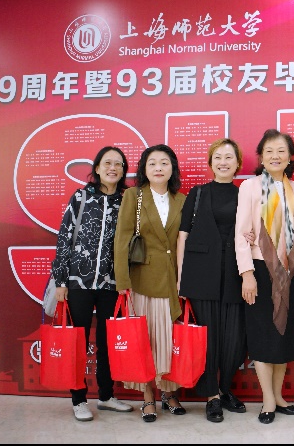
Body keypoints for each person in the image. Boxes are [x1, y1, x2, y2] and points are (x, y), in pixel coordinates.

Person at [49, 145, 133, 421]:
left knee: (109, 343)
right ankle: (78, 399)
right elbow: (65, 237)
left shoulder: (127, 200)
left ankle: (106, 396)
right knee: (78, 341)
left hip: (112, 283)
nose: (113, 168)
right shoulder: (82, 196)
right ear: (97, 168)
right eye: (107, 163)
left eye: (118, 164)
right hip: (78, 282)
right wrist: (61, 280)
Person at [235, 129, 294, 425]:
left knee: (284, 335)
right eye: (269, 151)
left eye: (281, 151)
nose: (275, 156)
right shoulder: (250, 187)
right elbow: (242, 233)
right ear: (261, 157)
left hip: (293, 270)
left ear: (290, 157)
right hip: (260, 268)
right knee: (263, 335)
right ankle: (267, 399)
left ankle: (278, 396)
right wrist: (247, 274)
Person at [114, 144, 187, 423]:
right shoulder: (134, 196)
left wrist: (185, 279)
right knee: (145, 341)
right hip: (141, 280)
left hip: (173, 280)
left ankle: (169, 394)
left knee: (169, 340)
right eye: (152, 163)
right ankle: (148, 397)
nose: (158, 168)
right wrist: (122, 280)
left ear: (172, 168)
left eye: (164, 163)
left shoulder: (182, 199)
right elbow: (122, 239)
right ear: (144, 169)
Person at [176, 139, 247, 423]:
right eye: (218, 157)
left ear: (237, 163)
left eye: (229, 157)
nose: (223, 162)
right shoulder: (197, 193)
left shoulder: (245, 194)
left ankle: (225, 388)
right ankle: (211, 397)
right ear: (210, 162)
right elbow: (183, 235)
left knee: (234, 340)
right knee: (207, 339)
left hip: (235, 274)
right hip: (200, 274)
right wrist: (181, 278)